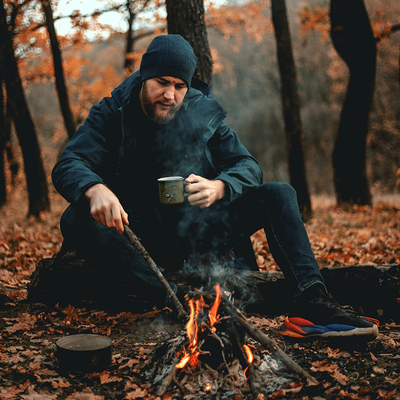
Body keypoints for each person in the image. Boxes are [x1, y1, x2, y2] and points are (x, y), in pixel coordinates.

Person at [52, 34, 378, 340]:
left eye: (179, 86)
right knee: (74, 218)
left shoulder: (200, 111)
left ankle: (312, 299)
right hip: (136, 236)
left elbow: (249, 166)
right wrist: (95, 188)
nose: (170, 95)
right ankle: (175, 298)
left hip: (197, 232)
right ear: (144, 76)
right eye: (161, 83)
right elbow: (69, 163)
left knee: (279, 193)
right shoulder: (112, 113)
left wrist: (220, 186)